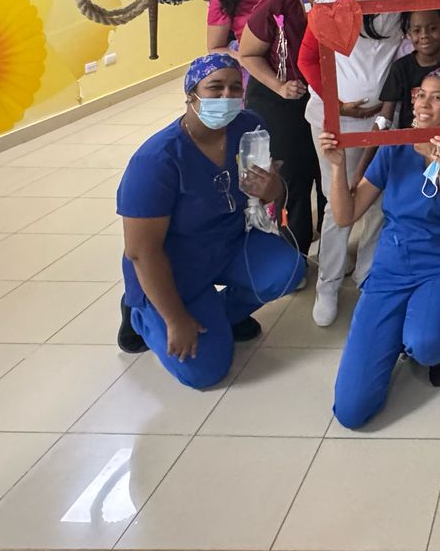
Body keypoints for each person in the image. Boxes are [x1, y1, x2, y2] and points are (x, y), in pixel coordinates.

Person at [115, 55, 305, 388]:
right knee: (204, 371)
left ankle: (220, 314)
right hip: (174, 265)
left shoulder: (249, 127)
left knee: (289, 269)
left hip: (228, 243)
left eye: (235, 88)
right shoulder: (156, 161)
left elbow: (273, 196)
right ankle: (142, 314)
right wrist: (176, 320)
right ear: (191, 95)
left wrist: (273, 188)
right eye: (214, 89)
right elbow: (141, 252)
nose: (226, 98)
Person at [318, 68, 440, 428]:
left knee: (425, 344)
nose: (424, 103)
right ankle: (399, 332)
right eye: (420, 94)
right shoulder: (395, 146)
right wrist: (335, 168)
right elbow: (347, 216)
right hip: (391, 266)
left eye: (437, 97)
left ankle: (436, 338)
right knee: (350, 411)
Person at [308, 0, 422, 326]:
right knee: (338, 198)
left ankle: (368, 273)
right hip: (335, 119)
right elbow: (309, 57)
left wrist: (386, 111)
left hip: (381, 119)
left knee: (374, 197)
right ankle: (328, 283)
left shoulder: (410, 1)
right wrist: (336, 103)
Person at [235, 0, 339, 255]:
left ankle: (331, 247)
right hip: (281, 98)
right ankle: (295, 252)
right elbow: (248, 55)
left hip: (329, 99)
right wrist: (280, 85)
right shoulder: (277, 8)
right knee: (295, 173)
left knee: (330, 173)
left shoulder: (347, 4)